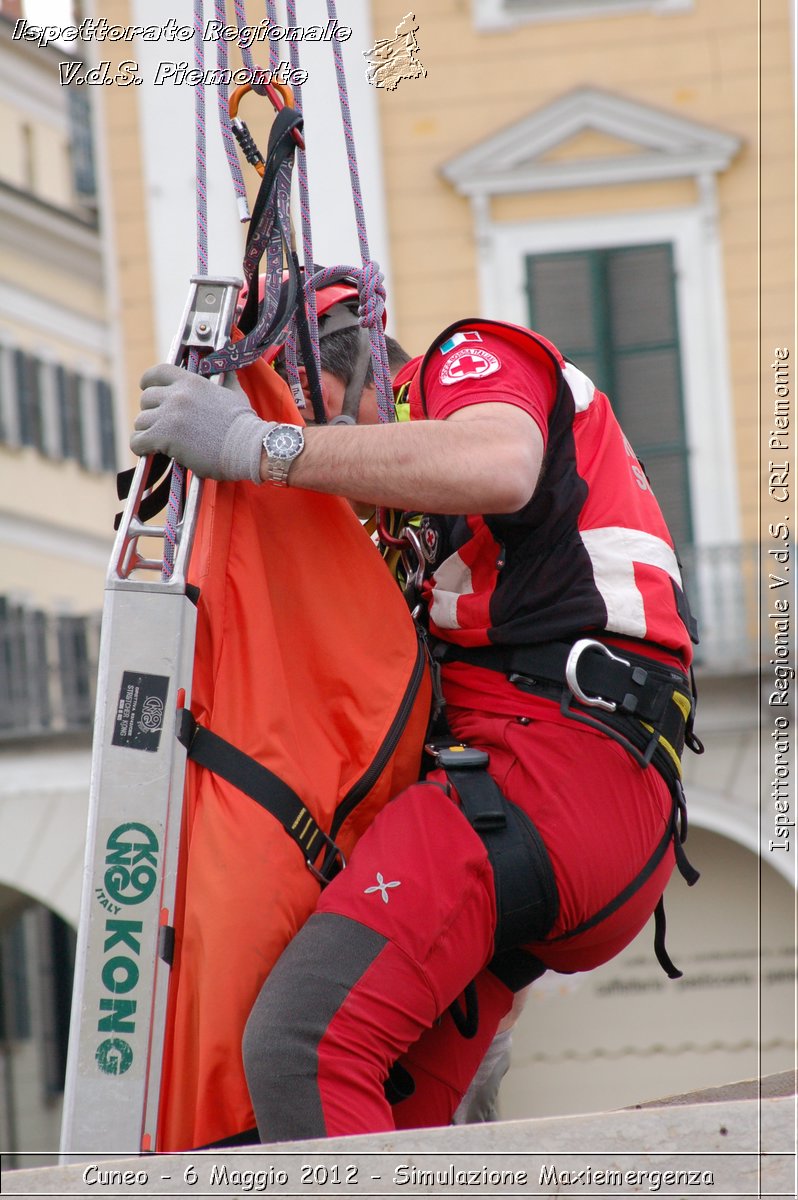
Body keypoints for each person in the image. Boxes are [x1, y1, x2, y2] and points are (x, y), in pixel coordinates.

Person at [132, 283, 700, 1141]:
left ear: (357, 362)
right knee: (383, 1116)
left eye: (312, 415)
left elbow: (500, 464)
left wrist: (258, 443)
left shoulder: (469, 362)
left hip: (553, 773)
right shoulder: (408, 528)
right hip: (574, 805)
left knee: (301, 1049)